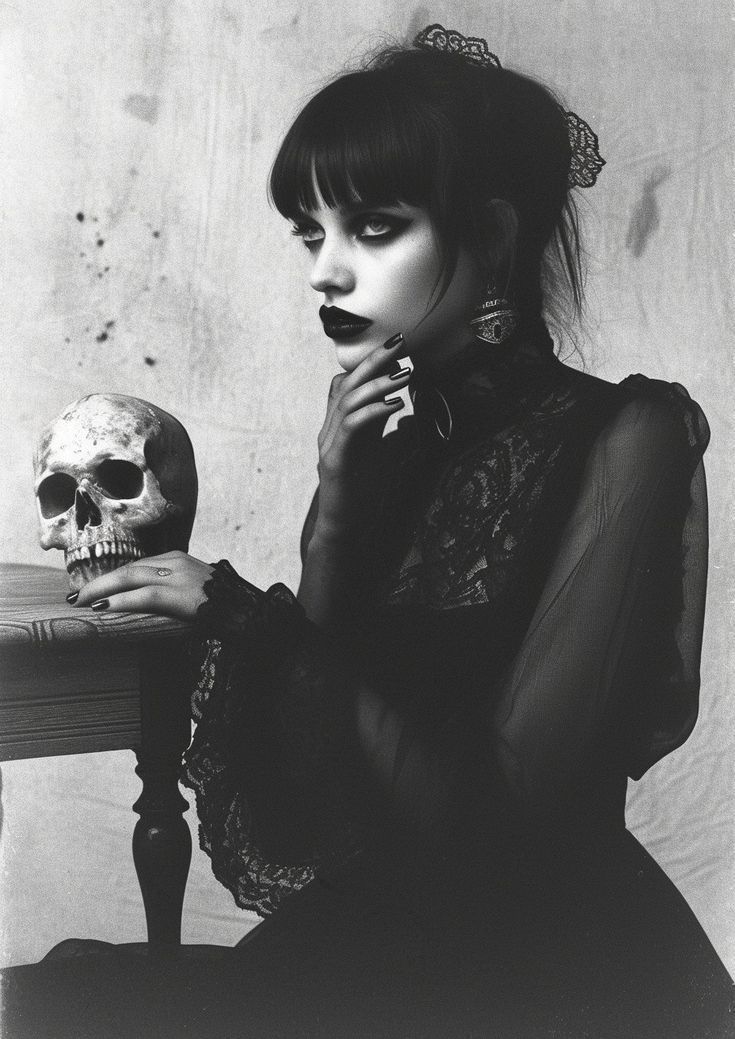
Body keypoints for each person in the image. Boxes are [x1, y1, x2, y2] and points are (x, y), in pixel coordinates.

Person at [3, 24, 732, 1039]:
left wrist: (243, 615)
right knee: (42, 1001)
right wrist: (338, 507)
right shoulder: (382, 445)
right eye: (313, 231)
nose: (327, 273)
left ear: (492, 236)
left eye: (374, 228)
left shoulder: (629, 436)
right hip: (382, 951)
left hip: (549, 978)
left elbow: (492, 822)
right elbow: (312, 804)